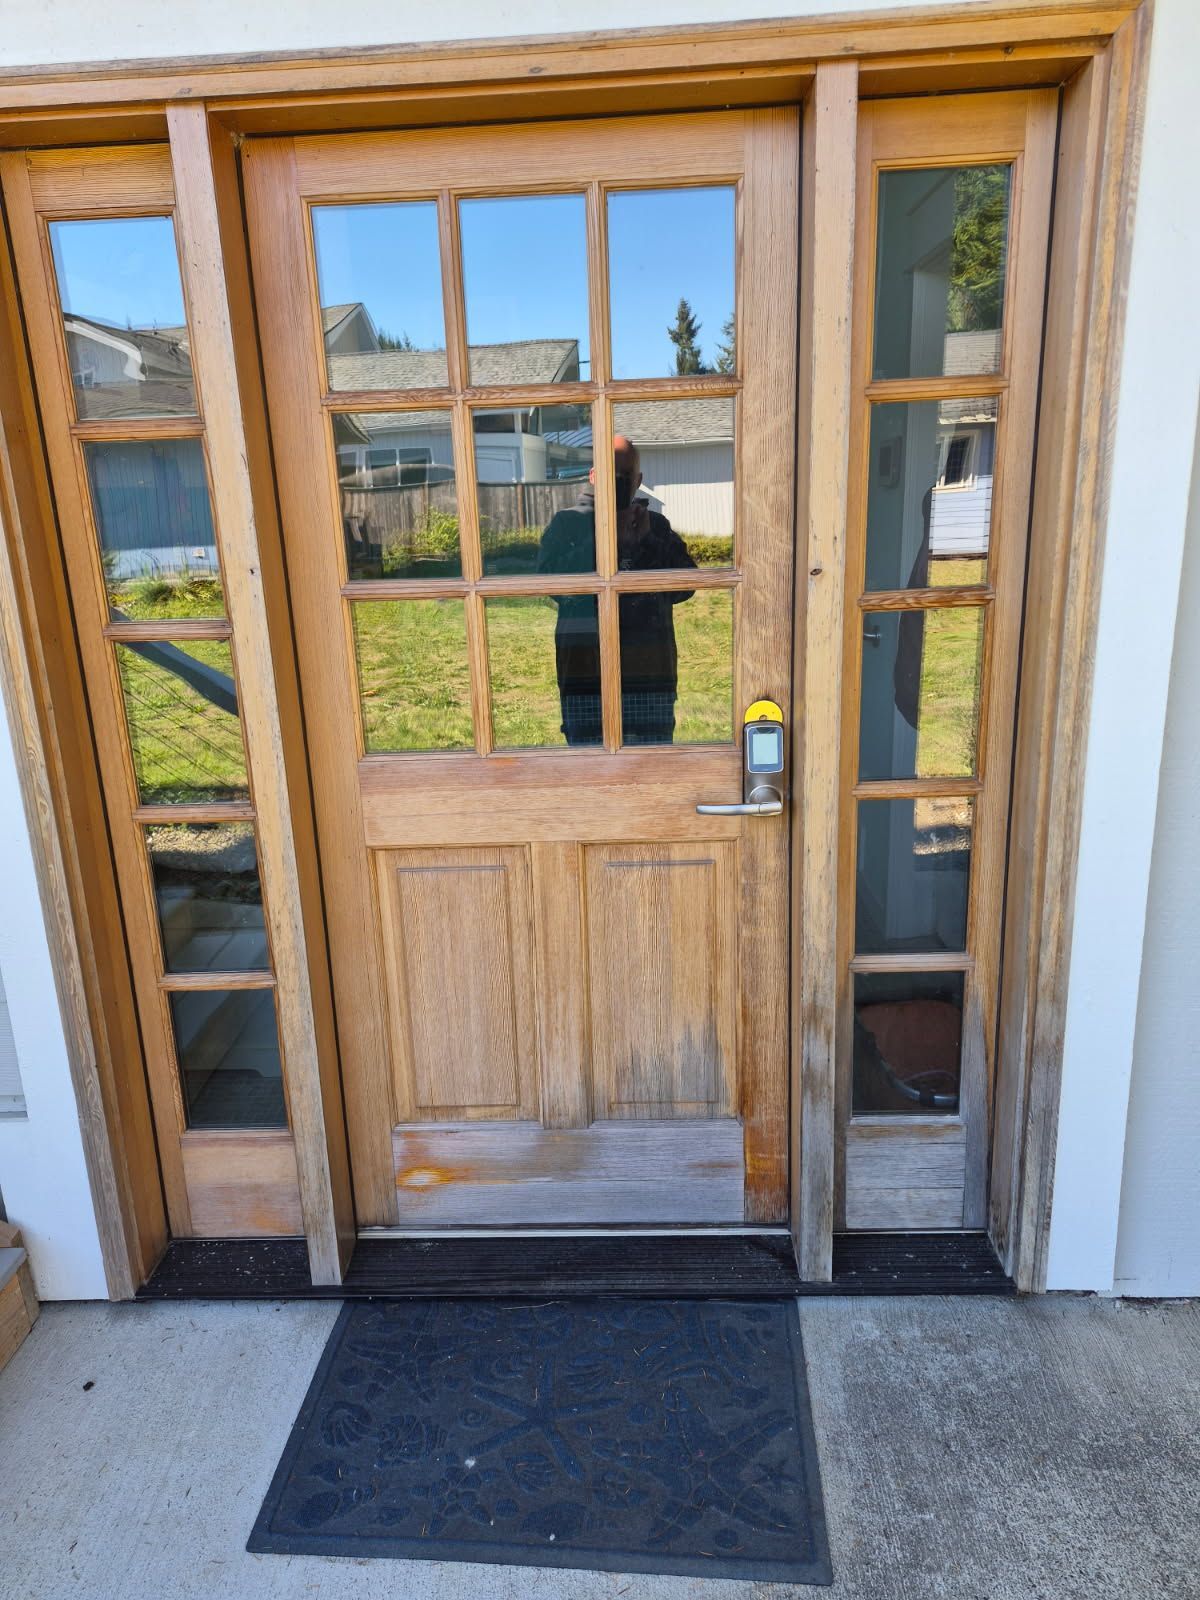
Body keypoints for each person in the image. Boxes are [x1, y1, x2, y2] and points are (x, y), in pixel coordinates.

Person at [537, 435, 696, 745]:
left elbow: (687, 585)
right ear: (594, 476)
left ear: (638, 480)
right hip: (585, 674)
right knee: (590, 769)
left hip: (650, 677)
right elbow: (551, 585)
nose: (618, 483)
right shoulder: (568, 524)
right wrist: (602, 539)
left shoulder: (656, 526)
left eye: (625, 476)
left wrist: (647, 542)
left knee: (652, 770)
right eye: (611, 475)